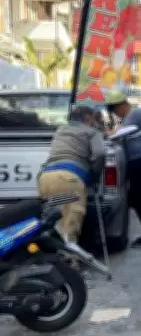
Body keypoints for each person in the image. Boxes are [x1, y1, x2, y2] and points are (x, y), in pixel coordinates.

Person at [38, 104, 104, 243]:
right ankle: (70, 260)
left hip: (45, 178)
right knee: (70, 226)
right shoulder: (91, 132)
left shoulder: (60, 130)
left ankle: (52, 255)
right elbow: (100, 153)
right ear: (87, 119)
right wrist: (95, 175)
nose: (95, 123)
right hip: (69, 180)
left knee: (53, 220)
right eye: (93, 120)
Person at [107, 93, 141, 247]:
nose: (116, 115)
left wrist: (110, 135)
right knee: (139, 197)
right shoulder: (130, 115)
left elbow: (122, 132)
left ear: (122, 105)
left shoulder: (136, 113)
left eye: (116, 111)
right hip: (137, 160)